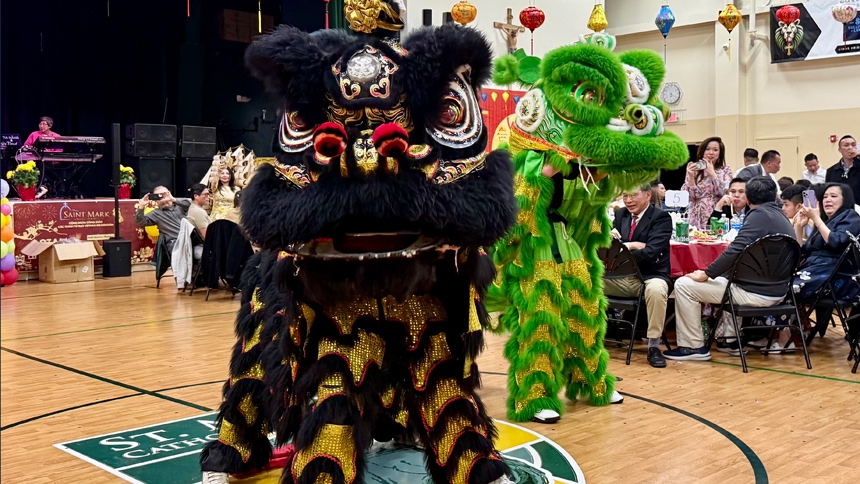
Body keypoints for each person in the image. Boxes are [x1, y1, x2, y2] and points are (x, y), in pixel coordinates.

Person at [665, 176, 795, 360]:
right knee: (726, 278)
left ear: (748, 199)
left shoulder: (759, 216)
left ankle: (692, 347)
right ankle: (730, 340)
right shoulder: (780, 216)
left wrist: (707, 273)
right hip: (779, 290)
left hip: (757, 293)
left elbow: (736, 249)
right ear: (775, 196)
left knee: (684, 285)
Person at [605, 184, 673, 368]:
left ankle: (653, 345)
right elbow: (610, 248)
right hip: (623, 275)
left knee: (657, 290)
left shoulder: (661, 218)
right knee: (587, 280)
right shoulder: (620, 215)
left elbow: (651, 254)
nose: (628, 200)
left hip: (651, 274)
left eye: (633, 195)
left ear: (648, 195)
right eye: (625, 195)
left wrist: (625, 248)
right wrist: (634, 245)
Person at [793, 183, 860, 304]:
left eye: (833, 196)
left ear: (845, 199)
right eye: (825, 197)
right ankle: (800, 323)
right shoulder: (825, 222)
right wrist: (798, 227)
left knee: (785, 290)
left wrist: (816, 219)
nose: (828, 200)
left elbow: (836, 242)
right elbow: (802, 252)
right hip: (815, 270)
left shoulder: (850, 216)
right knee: (777, 286)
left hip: (836, 275)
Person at [681, 137, 733, 230]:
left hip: (716, 215)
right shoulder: (695, 169)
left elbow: (724, 193)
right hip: (696, 216)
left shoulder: (725, 170)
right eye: (707, 149)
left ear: (720, 153)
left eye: (715, 150)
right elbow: (690, 197)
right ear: (702, 151)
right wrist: (691, 177)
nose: (711, 153)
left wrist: (712, 173)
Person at [132, 186, 192, 252]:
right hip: (174, 243)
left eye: (164, 195)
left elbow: (191, 204)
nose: (163, 200)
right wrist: (141, 206)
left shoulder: (181, 206)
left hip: (190, 239)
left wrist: (172, 199)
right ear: (155, 200)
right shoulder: (156, 213)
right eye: (159, 197)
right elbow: (140, 222)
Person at [825, 135, 860, 202]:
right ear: (839, 150)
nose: (850, 148)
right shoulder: (831, 171)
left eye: (853, 145)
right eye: (846, 145)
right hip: (839, 209)